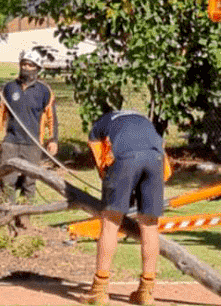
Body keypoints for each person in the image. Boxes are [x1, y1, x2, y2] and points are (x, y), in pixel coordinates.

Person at [81, 109, 172, 306]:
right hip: (155, 159)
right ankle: (146, 292)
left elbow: (100, 160)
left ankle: (99, 290)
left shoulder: (100, 125)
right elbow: (163, 157)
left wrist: (111, 184)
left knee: (110, 222)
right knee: (150, 226)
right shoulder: (144, 121)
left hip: (126, 159)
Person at [0, 47, 58, 227]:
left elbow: (52, 118)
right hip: (10, 142)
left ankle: (25, 215)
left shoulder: (44, 91)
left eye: (30, 65)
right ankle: (8, 215)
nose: (26, 68)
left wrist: (53, 140)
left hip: (33, 144)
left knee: (30, 182)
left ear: (37, 68)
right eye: (24, 64)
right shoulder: (9, 88)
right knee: (7, 180)